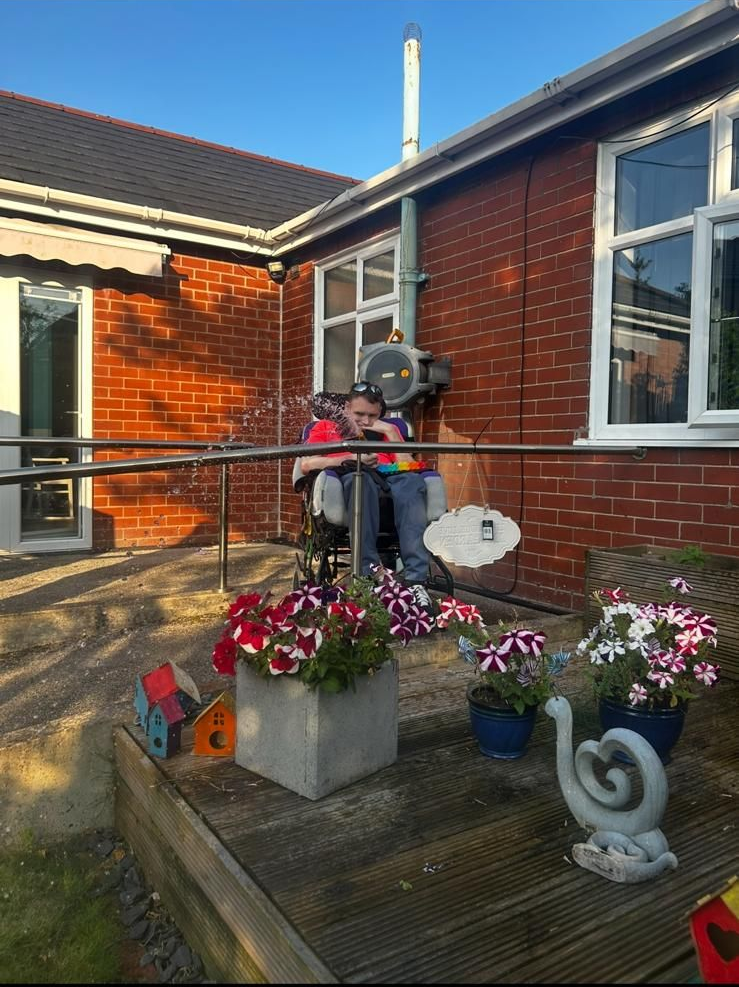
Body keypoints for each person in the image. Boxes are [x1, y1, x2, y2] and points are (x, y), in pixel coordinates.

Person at [300, 382, 433, 611]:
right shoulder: (325, 426)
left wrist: (390, 432)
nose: (364, 420)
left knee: (413, 482)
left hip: (389, 479)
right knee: (360, 481)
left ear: (380, 412)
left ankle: (416, 581)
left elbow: (411, 466)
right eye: (359, 413)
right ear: (347, 407)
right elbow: (306, 463)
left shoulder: (388, 430)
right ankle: (368, 576)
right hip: (352, 476)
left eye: (372, 415)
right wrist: (350, 458)